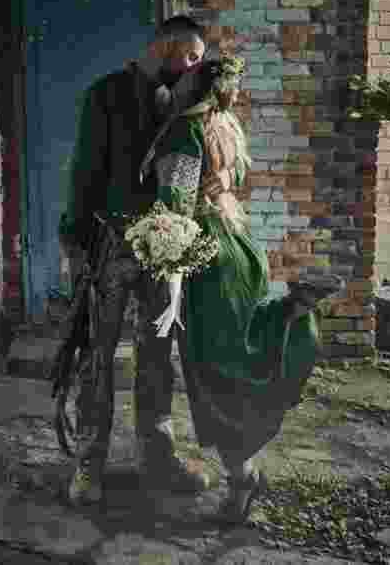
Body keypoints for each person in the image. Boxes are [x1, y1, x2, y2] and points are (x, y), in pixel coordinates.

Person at [146, 49, 345, 522]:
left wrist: (166, 274)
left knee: (213, 369)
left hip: (209, 260)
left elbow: (174, 212)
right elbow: (232, 177)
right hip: (242, 246)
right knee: (237, 354)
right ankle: (286, 325)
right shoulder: (227, 126)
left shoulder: (186, 131)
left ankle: (243, 474)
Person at [58, 16, 213, 505]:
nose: (195, 66)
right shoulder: (105, 94)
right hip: (111, 246)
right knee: (97, 359)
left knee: (157, 356)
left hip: (165, 250)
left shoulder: (184, 100)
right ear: (165, 46)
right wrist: (77, 245)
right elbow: (83, 172)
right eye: (190, 55)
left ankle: (158, 456)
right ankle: (88, 463)